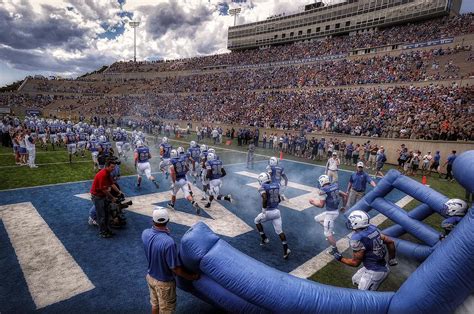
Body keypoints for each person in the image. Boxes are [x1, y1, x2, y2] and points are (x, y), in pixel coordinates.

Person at [142, 206, 200, 314]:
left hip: (150, 277)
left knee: (155, 305)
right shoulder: (169, 242)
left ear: (152, 220)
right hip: (164, 284)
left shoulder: (145, 233)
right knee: (166, 311)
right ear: (168, 220)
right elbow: (175, 269)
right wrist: (192, 277)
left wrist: (164, 233)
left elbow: (155, 238)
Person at [331, 210, 397, 291]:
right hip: (378, 265)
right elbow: (390, 242)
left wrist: (340, 258)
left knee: (364, 297)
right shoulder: (373, 228)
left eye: (350, 221)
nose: (348, 222)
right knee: (355, 279)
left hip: (375, 271)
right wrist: (392, 259)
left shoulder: (356, 239)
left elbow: (355, 263)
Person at [254, 172, 291, 259]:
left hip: (268, 212)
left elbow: (265, 197)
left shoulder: (262, 187)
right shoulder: (276, 185)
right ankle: (286, 249)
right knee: (280, 231)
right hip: (277, 212)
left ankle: (264, 238)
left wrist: (263, 210)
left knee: (256, 221)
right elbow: (278, 199)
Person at [310, 174, 348, 255]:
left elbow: (321, 205)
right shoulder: (335, 186)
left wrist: (312, 202)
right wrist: (344, 206)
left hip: (331, 214)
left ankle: (335, 250)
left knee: (327, 234)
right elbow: (345, 195)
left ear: (322, 182)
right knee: (317, 218)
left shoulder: (324, 191)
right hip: (334, 211)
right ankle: (330, 231)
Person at [90, 159, 118, 238]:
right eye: (112, 167)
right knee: (101, 215)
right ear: (107, 166)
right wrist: (112, 198)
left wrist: (119, 192)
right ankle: (102, 232)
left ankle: (107, 230)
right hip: (98, 196)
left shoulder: (108, 173)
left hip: (102, 196)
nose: (113, 169)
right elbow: (103, 189)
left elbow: (112, 184)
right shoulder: (103, 174)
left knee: (106, 214)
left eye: (114, 167)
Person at [167, 149, 201, 213]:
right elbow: (187, 169)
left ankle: (172, 204)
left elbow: (173, 173)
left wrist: (174, 183)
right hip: (184, 179)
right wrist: (182, 173)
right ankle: (193, 202)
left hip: (177, 180)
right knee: (187, 195)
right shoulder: (182, 160)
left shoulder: (171, 161)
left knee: (173, 193)